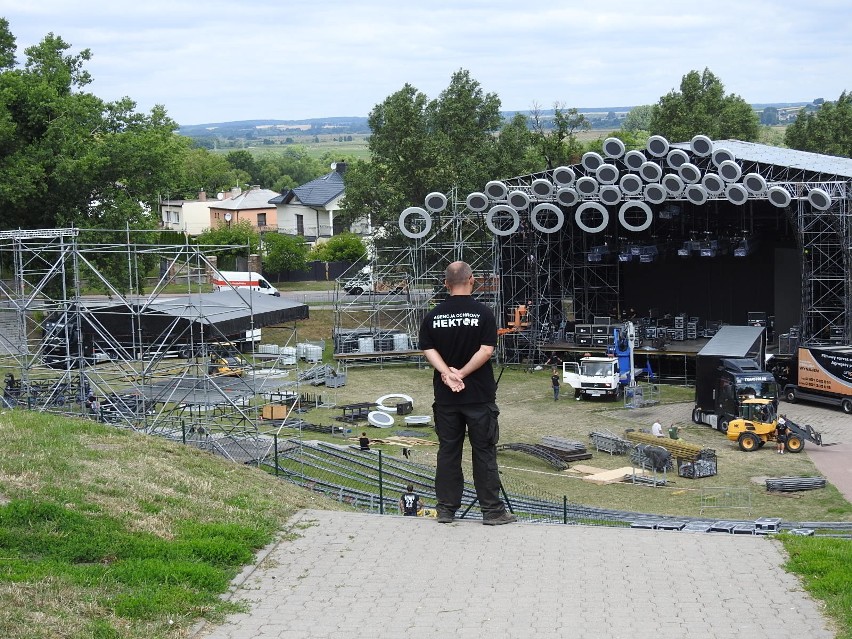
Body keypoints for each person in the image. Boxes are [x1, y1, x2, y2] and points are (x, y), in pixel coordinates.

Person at [419, 261, 516, 526]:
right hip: (479, 396)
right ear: (471, 280)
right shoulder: (484, 313)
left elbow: (428, 350)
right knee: (483, 452)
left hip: (446, 398)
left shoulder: (433, 316)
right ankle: (492, 512)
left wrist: (448, 374)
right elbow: (486, 351)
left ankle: (446, 510)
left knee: (448, 452)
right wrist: (461, 374)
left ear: (445, 284)